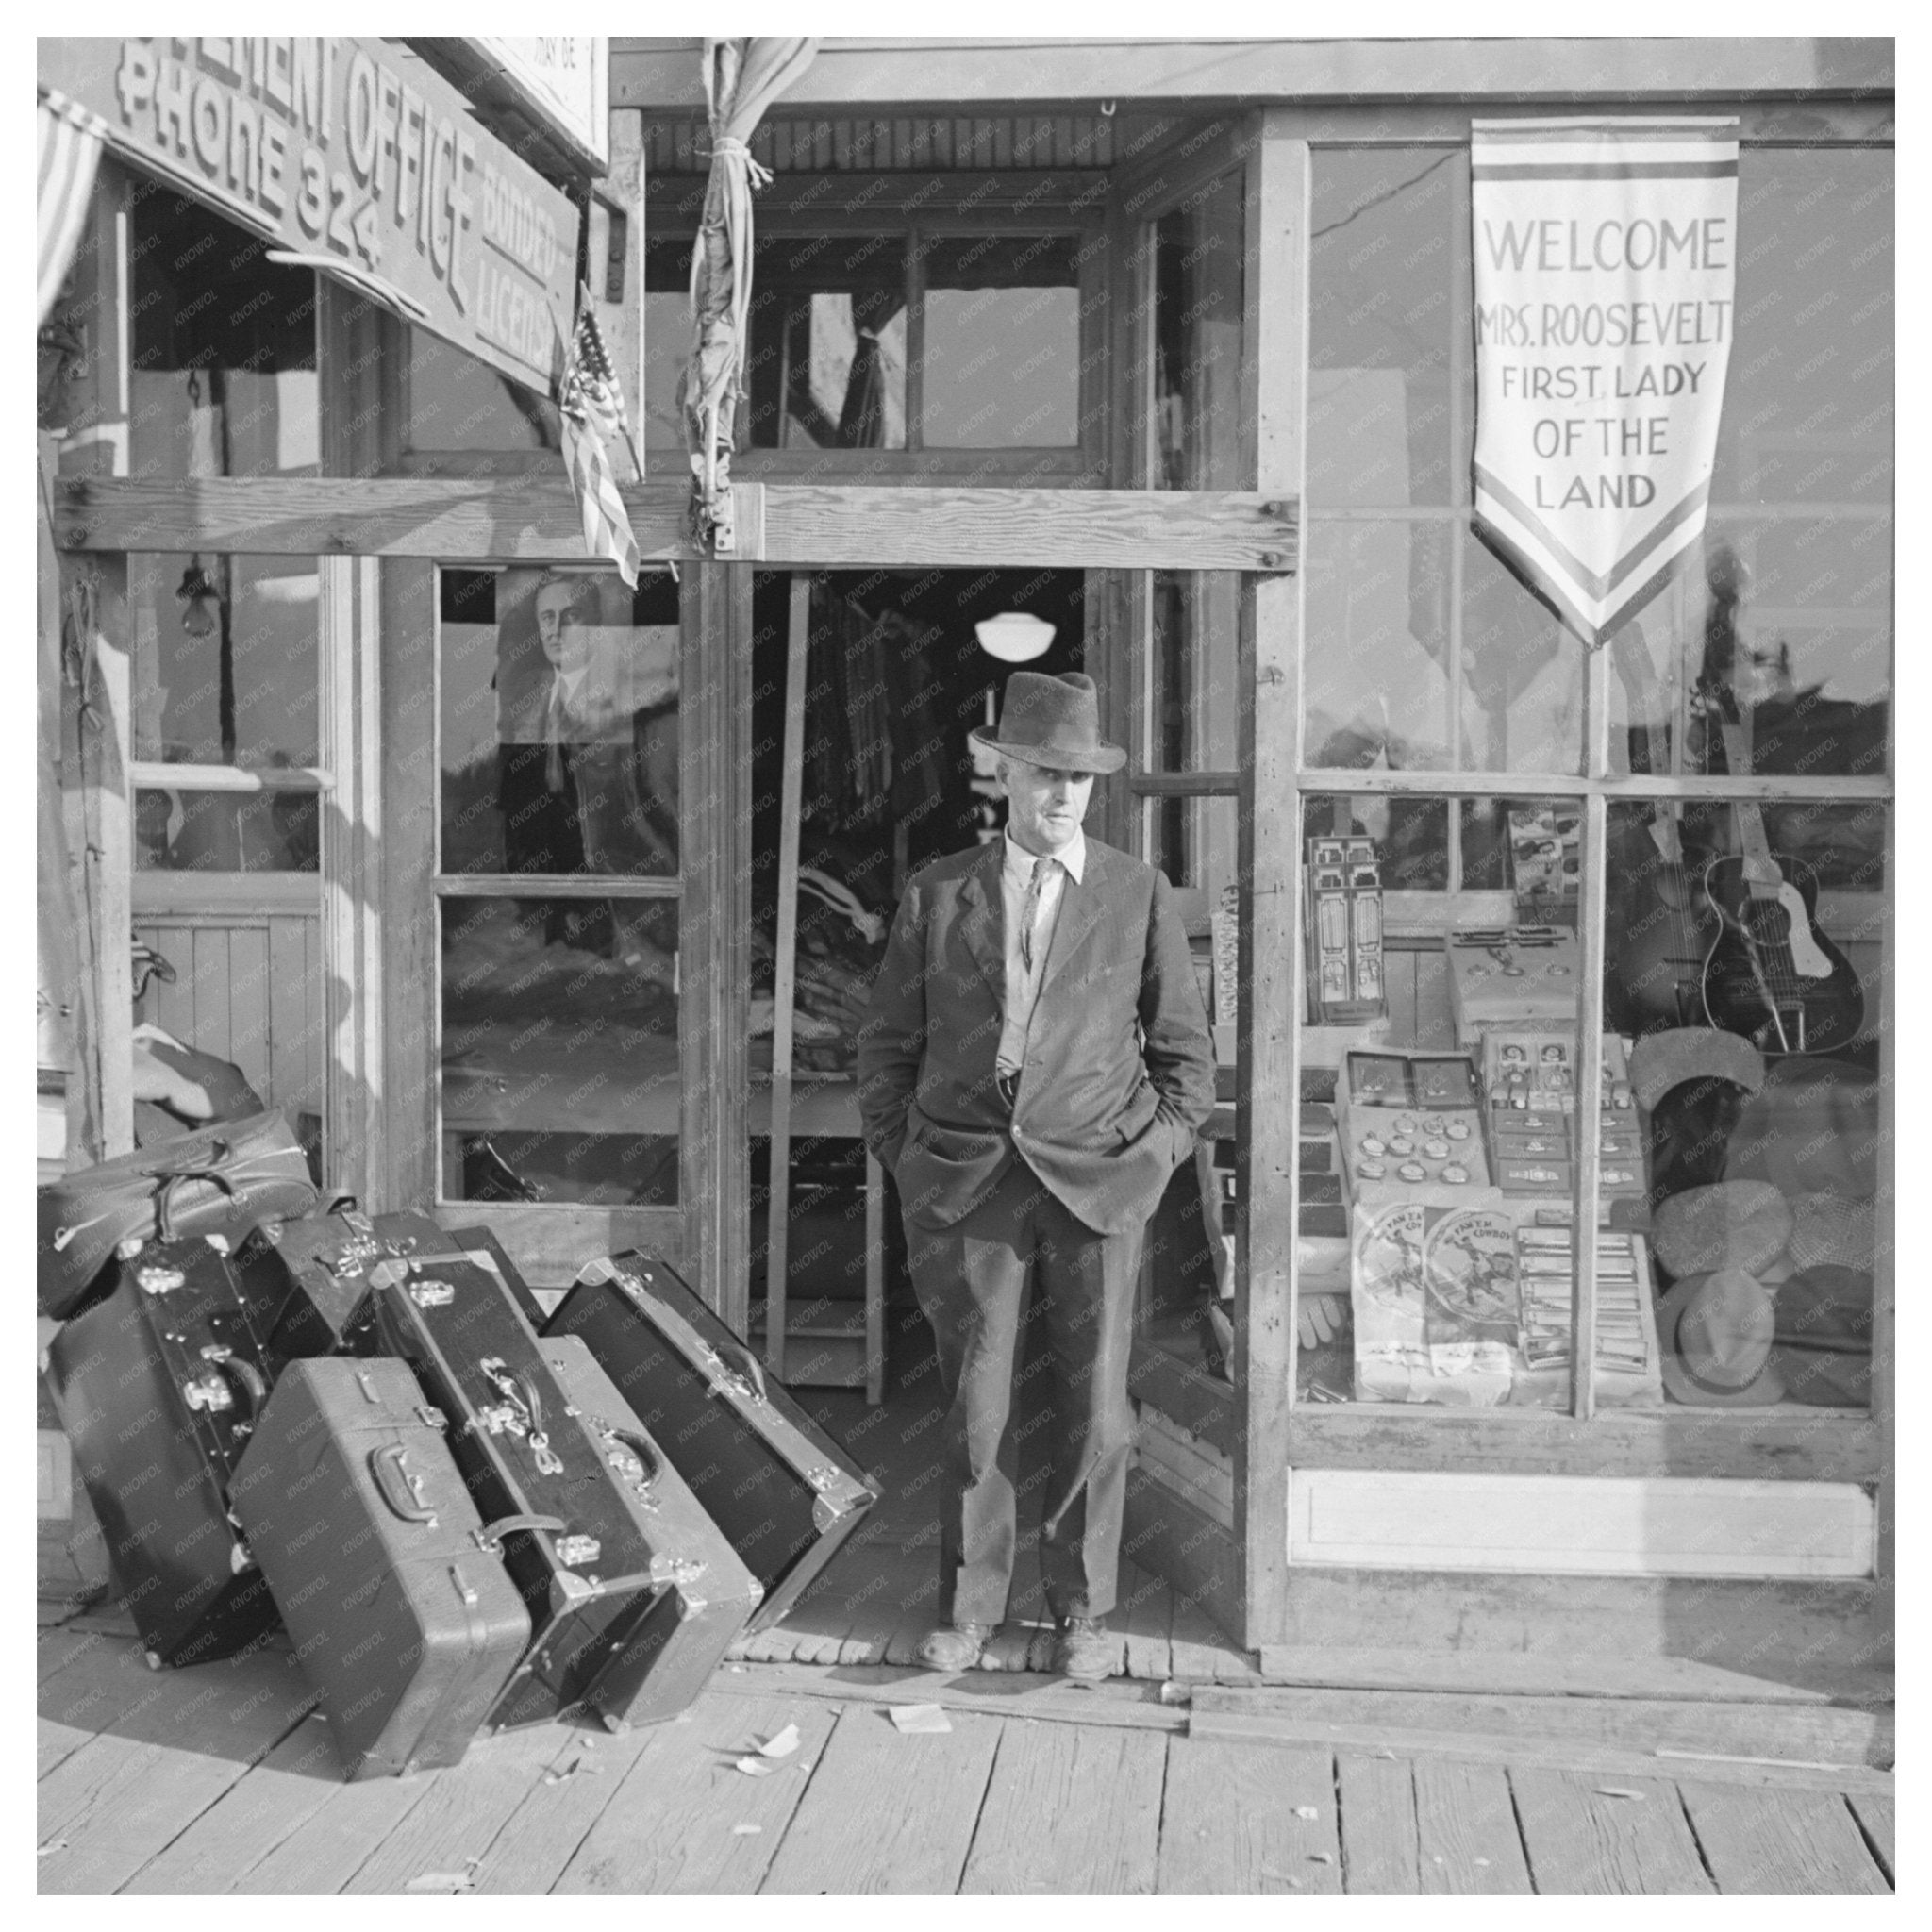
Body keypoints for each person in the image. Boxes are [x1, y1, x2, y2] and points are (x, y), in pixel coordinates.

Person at [857, 670, 1215, 1679]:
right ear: (1002, 770)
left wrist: (1153, 1153)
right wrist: (904, 1147)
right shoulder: (937, 892)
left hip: (1100, 1178)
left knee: (1097, 1404)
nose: (1063, 794)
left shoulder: (1134, 891)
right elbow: (885, 1043)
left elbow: (1185, 1054)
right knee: (979, 1404)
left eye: (1081, 777)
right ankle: (968, 1609)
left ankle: (1082, 1613)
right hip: (969, 1179)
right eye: (1045, 772)